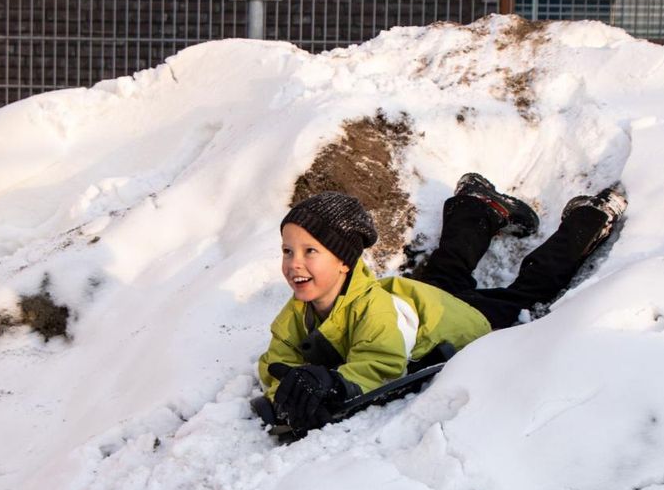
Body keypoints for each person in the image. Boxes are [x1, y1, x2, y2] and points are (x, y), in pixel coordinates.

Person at [258, 176, 626, 431]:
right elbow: (276, 361)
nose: (294, 264)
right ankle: (476, 204)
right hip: (425, 305)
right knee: (447, 270)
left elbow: (381, 365)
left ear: (344, 261)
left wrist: (337, 384)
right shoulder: (295, 315)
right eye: (287, 251)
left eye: (310, 252)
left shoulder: (374, 312)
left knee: (530, 289)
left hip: (468, 320)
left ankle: (590, 218)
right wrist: (288, 388)